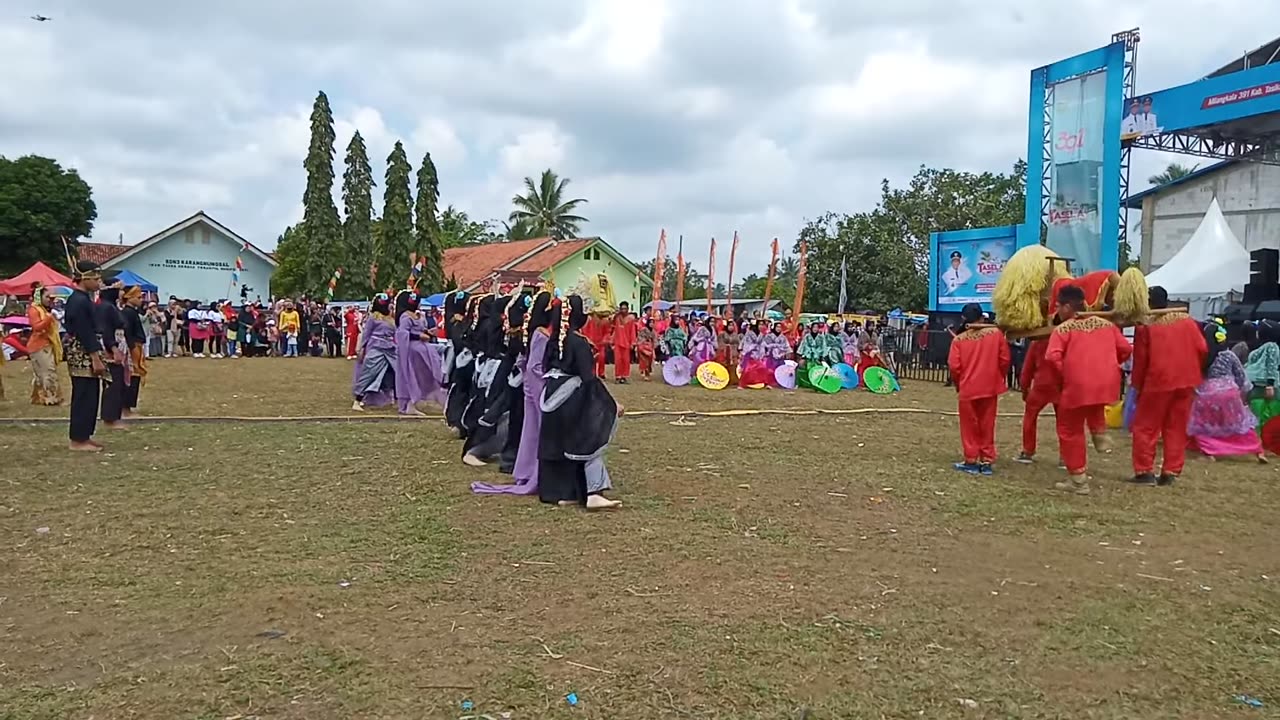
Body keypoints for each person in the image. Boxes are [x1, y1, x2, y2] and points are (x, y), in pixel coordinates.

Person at [538, 294, 623, 510]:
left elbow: (545, 368)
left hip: (552, 395)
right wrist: (611, 403)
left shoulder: (553, 340)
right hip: (572, 397)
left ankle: (564, 493)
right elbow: (589, 378)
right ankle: (593, 491)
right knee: (588, 439)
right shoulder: (578, 342)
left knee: (558, 444)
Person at [1045, 285, 1132, 494]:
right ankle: (1099, 434)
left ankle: (1078, 479)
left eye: (1058, 306)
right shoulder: (1107, 325)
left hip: (1078, 384)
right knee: (1093, 404)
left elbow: (1051, 357)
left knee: (1069, 430)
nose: (1057, 311)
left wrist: (1066, 374)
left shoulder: (1062, 330)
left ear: (1067, 307)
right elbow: (1126, 349)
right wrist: (1110, 365)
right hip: (1106, 383)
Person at [473, 291, 555, 495]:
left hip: (527, 384)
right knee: (530, 428)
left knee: (526, 429)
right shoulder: (539, 333)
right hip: (533, 387)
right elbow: (534, 366)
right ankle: (527, 468)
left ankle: (524, 467)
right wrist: (542, 390)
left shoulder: (536, 331)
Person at [1128, 287, 1208, 485]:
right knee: (1176, 427)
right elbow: (1203, 348)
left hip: (1158, 381)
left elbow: (1141, 360)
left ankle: (1144, 471)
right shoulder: (1187, 321)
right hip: (1187, 381)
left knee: (1146, 427)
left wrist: (1137, 387)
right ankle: (1171, 472)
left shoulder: (1145, 326)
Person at [1189, 320, 1267, 463]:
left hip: (1206, 393)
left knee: (1205, 425)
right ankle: (1258, 451)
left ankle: (1210, 451)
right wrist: (1243, 394)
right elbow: (1241, 377)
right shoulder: (1229, 355)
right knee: (1240, 423)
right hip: (1229, 391)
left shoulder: (1202, 356)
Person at [947, 303, 1010, 475]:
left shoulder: (959, 340)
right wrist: (998, 376)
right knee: (987, 424)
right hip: (990, 386)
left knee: (969, 426)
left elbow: (954, 367)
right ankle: (987, 460)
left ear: (963, 319)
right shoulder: (996, 334)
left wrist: (959, 383)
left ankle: (971, 460)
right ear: (982, 317)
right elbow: (1004, 359)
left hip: (968, 388)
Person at [63, 262, 108, 451]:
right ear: (85, 279)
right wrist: (95, 357)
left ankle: (85, 435)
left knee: (91, 394)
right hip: (83, 351)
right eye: (96, 279)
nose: (99, 282)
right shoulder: (79, 301)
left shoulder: (83, 299)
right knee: (83, 394)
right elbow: (84, 331)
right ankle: (78, 439)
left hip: (87, 349)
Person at [394, 290, 445, 417]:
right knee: (415, 376)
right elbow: (402, 333)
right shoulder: (405, 316)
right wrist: (418, 336)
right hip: (413, 351)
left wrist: (428, 332)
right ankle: (410, 404)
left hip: (424, 349)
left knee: (431, 372)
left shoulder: (417, 315)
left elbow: (420, 330)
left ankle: (441, 398)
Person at [351, 294, 397, 411]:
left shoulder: (391, 318)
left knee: (393, 373)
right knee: (369, 373)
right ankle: (358, 400)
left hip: (390, 349)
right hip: (376, 348)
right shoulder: (373, 317)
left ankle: (394, 397)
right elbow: (366, 333)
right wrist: (361, 348)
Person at [95, 282, 130, 430]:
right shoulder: (106, 307)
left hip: (115, 345)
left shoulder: (109, 306)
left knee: (118, 381)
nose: (122, 293)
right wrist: (113, 348)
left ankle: (114, 415)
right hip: (110, 347)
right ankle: (110, 418)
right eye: (120, 290)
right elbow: (106, 329)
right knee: (113, 382)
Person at [27, 284, 64, 406]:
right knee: (48, 372)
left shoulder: (43, 310)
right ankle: (51, 398)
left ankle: (37, 397)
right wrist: (50, 318)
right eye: (47, 297)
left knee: (41, 373)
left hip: (46, 343)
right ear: (39, 297)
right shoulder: (34, 310)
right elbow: (37, 327)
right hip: (39, 345)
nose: (50, 299)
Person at [1244, 319, 1280, 431]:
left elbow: (1271, 364)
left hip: (1264, 385)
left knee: (1266, 412)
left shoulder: (1271, 346)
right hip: (1257, 384)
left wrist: (1270, 384)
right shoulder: (1264, 346)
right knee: (1256, 411)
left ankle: (1264, 436)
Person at [120, 286, 148, 417]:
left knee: (135, 376)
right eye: (138, 297)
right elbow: (127, 332)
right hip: (133, 347)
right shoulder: (127, 312)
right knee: (131, 376)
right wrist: (132, 349)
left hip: (136, 345)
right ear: (129, 298)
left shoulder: (132, 311)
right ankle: (126, 408)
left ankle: (129, 406)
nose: (141, 300)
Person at [611, 301, 638, 384]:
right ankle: (618, 376)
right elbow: (611, 323)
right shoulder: (617, 318)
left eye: (625, 309)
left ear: (628, 309)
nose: (623, 310)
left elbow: (632, 331)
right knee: (618, 360)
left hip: (626, 343)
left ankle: (624, 376)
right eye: (622, 309)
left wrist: (633, 343)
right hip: (617, 342)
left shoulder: (631, 319)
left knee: (626, 361)